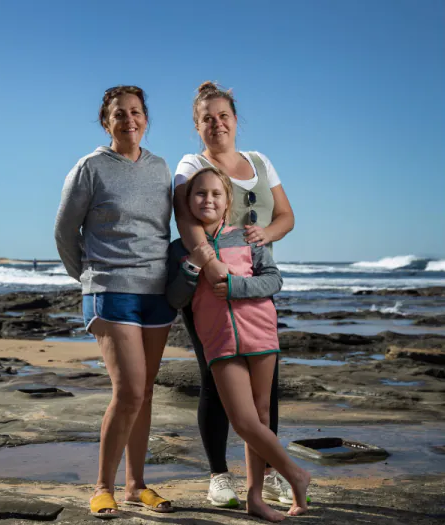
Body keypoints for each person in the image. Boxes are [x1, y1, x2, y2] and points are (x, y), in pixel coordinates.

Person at [172, 81, 296, 508]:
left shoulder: (260, 161)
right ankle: (219, 475)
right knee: (215, 377)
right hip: (210, 286)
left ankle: (267, 474)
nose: (217, 124)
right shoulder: (192, 164)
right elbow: (185, 221)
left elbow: (285, 216)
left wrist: (265, 235)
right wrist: (211, 265)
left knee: (266, 388)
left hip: (255, 286)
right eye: (207, 118)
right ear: (197, 126)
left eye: (224, 116)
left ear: (236, 120)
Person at [54, 85, 176, 518]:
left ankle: (136, 485)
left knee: (143, 393)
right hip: (110, 292)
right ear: (107, 122)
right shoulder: (90, 168)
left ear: (146, 118)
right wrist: (89, 279)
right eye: (120, 114)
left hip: (157, 294)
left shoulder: (162, 168)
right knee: (127, 392)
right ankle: (103, 486)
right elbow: (65, 233)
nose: (130, 120)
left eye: (137, 112)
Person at [167, 166, 309, 522]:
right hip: (219, 343)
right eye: (200, 194)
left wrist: (235, 288)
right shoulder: (179, 249)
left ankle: (255, 498)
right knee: (243, 420)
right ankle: (295, 473)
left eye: (216, 194)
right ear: (188, 201)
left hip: (261, 335)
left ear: (227, 200)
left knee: (262, 416)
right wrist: (194, 267)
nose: (208, 200)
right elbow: (175, 299)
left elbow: (274, 280)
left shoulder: (246, 238)